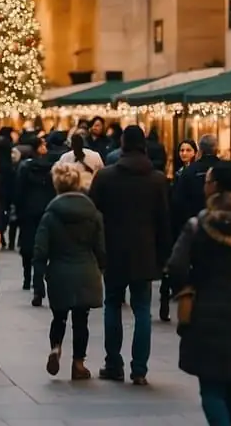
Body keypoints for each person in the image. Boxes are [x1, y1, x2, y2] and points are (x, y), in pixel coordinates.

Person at [167, 161, 231, 426]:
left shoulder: (198, 225)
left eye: (208, 181)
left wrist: (186, 290)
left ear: (216, 187)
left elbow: (176, 265)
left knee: (211, 385)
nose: (205, 186)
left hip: (205, 309)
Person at [88, 125, 171, 385]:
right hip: (144, 252)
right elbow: (164, 221)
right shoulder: (157, 179)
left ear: (122, 144)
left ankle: (114, 363)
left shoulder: (105, 177)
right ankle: (140, 369)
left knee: (112, 304)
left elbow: (93, 214)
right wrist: (163, 256)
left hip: (112, 250)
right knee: (143, 310)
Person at [34, 162, 105, 381]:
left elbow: (40, 250)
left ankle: (56, 347)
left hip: (59, 272)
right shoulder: (93, 214)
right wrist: (100, 269)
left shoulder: (50, 215)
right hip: (86, 270)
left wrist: (38, 280)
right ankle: (78, 363)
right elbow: (100, 248)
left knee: (59, 317)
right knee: (81, 320)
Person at [14, 139, 56, 302]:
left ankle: (27, 279)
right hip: (46, 210)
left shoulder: (25, 167)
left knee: (27, 246)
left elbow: (18, 191)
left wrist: (18, 209)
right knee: (43, 248)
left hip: (28, 211)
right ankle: (39, 283)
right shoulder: (51, 167)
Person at [161, 139, 199, 320]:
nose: (184, 153)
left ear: (195, 152)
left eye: (188, 150)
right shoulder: (177, 173)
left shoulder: (192, 174)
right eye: (182, 150)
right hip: (178, 224)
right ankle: (166, 299)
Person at [173, 134, 223, 242]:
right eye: (182, 150)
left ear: (199, 150)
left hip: (195, 227)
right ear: (216, 149)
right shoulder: (224, 169)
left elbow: (178, 202)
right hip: (221, 226)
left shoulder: (188, 171)